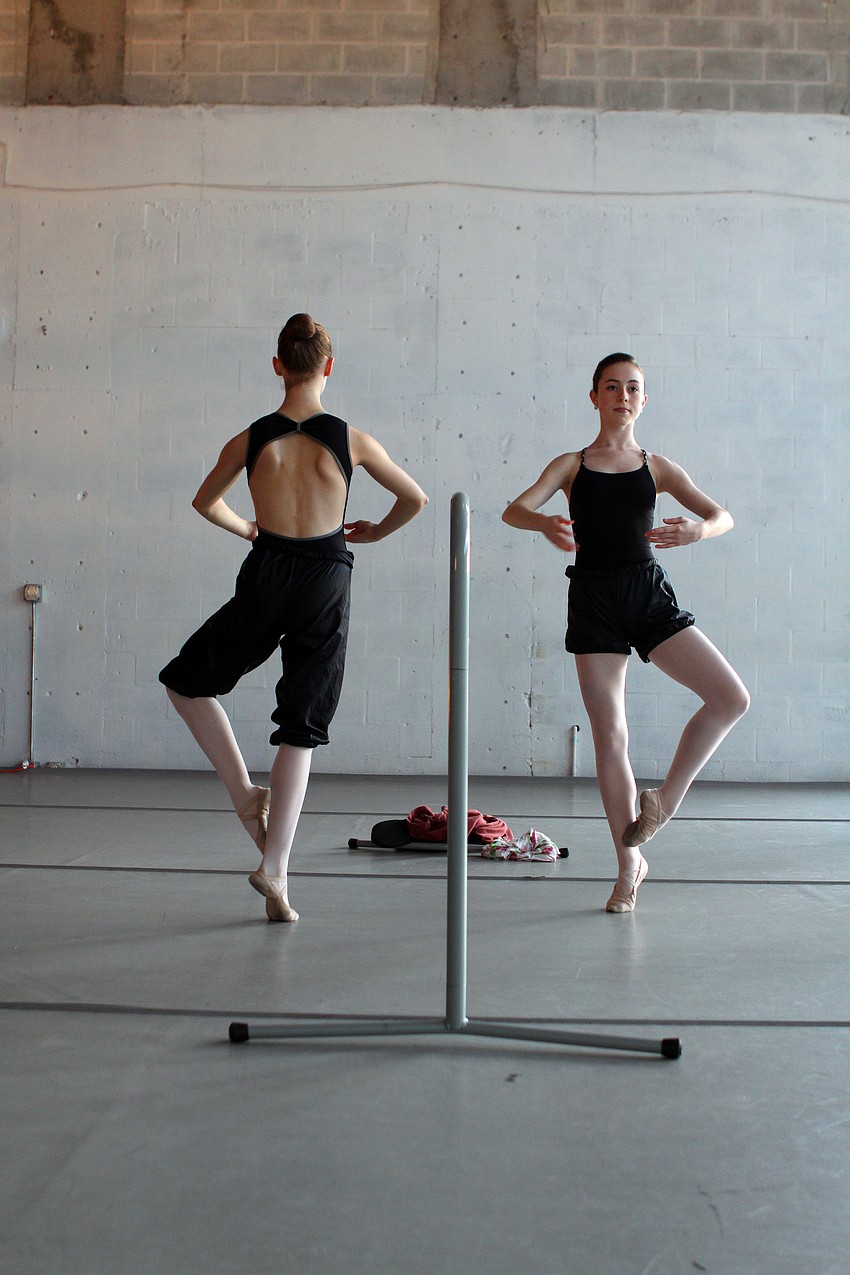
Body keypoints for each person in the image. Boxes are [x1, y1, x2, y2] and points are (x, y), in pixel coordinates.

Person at [159, 314, 428, 922]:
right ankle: (275, 867)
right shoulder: (353, 440)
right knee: (301, 724)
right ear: (328, 367)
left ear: (278, 366)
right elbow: (415, 498)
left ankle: (243, 796)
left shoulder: (251, 439)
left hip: (268, 569)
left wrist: (248, 528)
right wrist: (376, 532)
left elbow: (205, 502)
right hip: (326, 576)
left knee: (187, 682)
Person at [502, 353, 749, 913]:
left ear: (644, 399)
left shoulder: (657, 468)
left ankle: (664, 801)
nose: (622, 396)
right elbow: (514, 509)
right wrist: (544, 522)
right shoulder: (571, 465)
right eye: (611, 387)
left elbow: (722, 516)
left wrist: (699, 531)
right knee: (610, 736)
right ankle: (628, 864)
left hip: (647, 595)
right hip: (593, 600)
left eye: (633, 388)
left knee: (730, 698)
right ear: (594, 397)